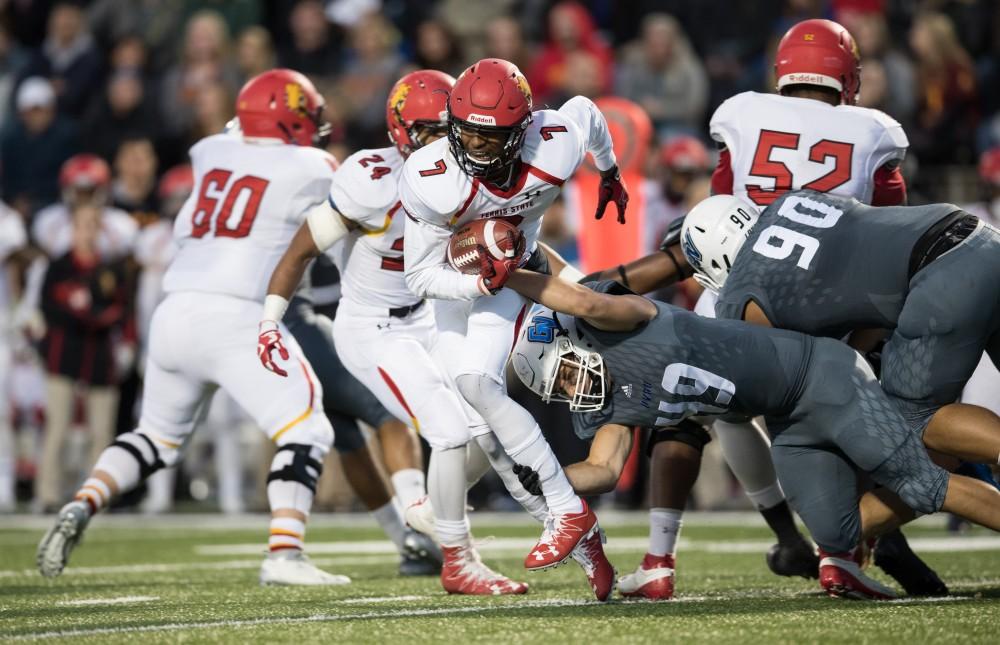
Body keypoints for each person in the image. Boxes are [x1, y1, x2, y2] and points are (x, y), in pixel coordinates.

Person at [504, 269, 1000, 600]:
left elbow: (578, 298)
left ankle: (943, 464)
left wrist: (508, 271)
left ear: (576, 339)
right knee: (838, 534)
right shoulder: (613, 404)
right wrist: (548, 477)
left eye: (566, 372)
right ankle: (938, 464)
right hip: (788, 420)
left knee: (922, 486)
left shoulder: (623, 322)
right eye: (561, 390)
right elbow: (604, 470)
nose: (573, 388)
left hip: (822, 377)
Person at [36, 69, 349, 587]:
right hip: (238, 313)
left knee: (154, 437)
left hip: (175, 309)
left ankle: (84, 500)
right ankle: (285, 553)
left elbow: (185, 227)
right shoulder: (313, 165)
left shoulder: (210, 152)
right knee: (307, 427)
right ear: (290, 119)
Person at [260, 69, 537, 595]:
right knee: (450, 432)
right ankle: (458, 558)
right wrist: (270, 320)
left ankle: (432, 510)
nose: (440, 142)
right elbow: (300, 250)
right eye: (427, 131)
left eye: (446, 128)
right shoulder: (371, 181)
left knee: (492, 428)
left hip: (432, 316)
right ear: (400, 132)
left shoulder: (471, 176)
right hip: (374, 325)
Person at [399, 58, 624, 586]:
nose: (474, 147)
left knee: (480, 387)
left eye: (489, 136)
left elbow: (588, 113)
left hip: (516, 271)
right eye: (467, 134)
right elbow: (419, 277)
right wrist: (478, 283)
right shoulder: (435, 179)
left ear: (522, 129)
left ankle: (569, 515)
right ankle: (580, 532)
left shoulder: (554, 142)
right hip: (459, 288)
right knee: (487, 429)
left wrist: (608, 169)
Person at [682, 189, 1000, 469]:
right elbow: (866, 293)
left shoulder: (741, 296)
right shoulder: (793, 200)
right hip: (974, 233)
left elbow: (779, 388)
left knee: (913, 416)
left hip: (941, 276)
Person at [34, 203, 132, 512]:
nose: (87, 232)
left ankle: (96, 493)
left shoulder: (109, 268)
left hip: (99, 355)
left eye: (93, 225)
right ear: (72, 229)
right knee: (57, 427)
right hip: (64, 354)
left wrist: (96, 318)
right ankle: (47, 493)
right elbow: (51, 310)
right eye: (82, 225)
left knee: (101, 430)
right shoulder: (59, 266)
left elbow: (121, 310)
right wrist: (91, 316)